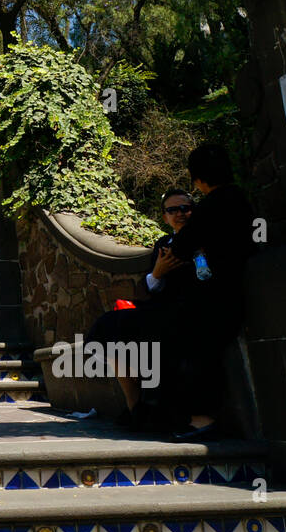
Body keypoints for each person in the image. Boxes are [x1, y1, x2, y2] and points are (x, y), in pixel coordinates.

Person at [160, 144, 257, 441]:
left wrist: (198, 254)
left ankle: (201, 420)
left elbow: (182, 248)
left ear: (199, 179)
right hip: (235, 289)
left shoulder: (212, 206)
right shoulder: (241, 198)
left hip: (214, 297)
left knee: (193, 352)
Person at [85, 188, 197, 427]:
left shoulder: (202, 241)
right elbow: (150, 287)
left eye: (185, 208)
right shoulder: (163, 244)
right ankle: (134, 405)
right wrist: (159, 271)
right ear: (165, 216)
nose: (180, 214)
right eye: (172, 210)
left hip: (188, 310)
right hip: (161, 308)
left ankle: (148, 408)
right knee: (107, 328)